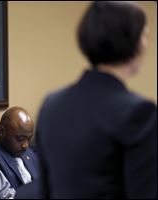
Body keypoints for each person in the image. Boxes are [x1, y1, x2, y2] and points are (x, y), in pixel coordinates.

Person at [16, 2, 157, 199]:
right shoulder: (139, 112)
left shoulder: (52, 105)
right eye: (145, 36)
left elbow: (46, 190)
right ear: (133, 42)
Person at [0, 106, 39, 190]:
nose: (25, 145)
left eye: (29, 139)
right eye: (20, 139)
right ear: (2, 132)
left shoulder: (27, 152)